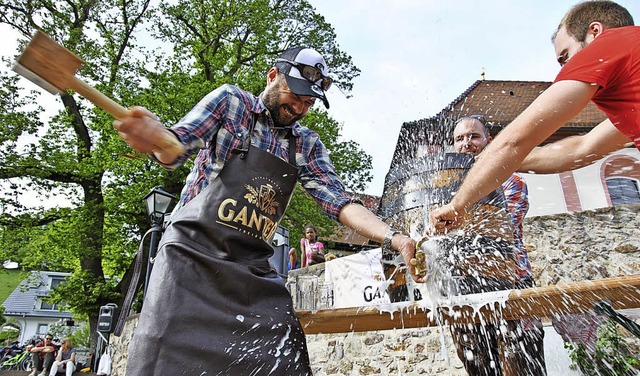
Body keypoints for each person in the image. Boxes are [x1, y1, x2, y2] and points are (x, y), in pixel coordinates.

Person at [113, 46, 419, 375]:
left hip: (250, 269)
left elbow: (340, 202)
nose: (300, 107)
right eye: (296, 94)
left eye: (309, 102)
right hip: (189, 257)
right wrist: (155, 137)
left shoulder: (306, 145)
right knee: (163, 361)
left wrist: (393, 237)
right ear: (273, 76)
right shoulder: (232, 103)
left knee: (285, 359)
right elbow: (177, 143)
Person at [430, 0, 638, 233]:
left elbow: (515, 140)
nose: (564, 69)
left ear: (595, 32)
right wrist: (497, 162)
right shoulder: (631, 90)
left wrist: (458, 205)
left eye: (565, 56)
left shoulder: (611, 44)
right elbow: (581, 148)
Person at [450, 116, 546, 375]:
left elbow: (501, 230)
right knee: (477, 366)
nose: (466, 143)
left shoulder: (511, 182)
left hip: (513, 283)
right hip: (464, 291)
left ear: (489, 141)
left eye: (474, 137)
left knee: (522, 364)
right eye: (460, 139)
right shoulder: (447, 187)